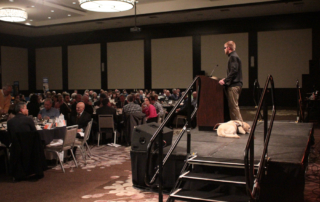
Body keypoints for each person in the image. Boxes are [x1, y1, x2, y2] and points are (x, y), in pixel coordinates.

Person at [217, 41, 243, 122]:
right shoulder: (234, 56)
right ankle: (238, 125)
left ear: (228, 48)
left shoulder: (233, 57)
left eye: (224, 48)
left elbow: (234, 71)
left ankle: (241, 126)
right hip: (236, 85)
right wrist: (225, 79)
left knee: (234, 107)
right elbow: (234, 71)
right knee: (233, 107)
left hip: (234, 86)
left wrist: (225, 81)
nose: (224, 50)